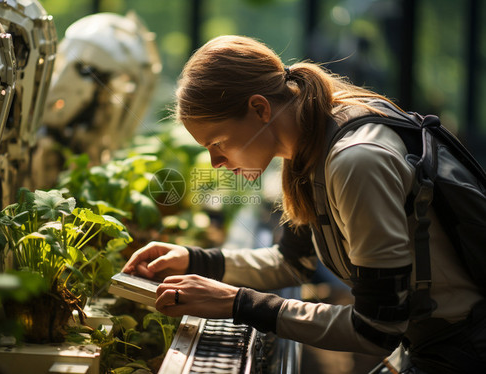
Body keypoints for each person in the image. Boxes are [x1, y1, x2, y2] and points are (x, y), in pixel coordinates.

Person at [122, 35, 486, 373]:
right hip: (434, 345)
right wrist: (194, 259)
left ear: (260, 109)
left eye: (217, 142)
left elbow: (376, 328)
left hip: (464, 350)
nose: (216, 162)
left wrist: (236, 302)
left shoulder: (355, 161)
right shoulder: (314, 140)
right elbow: (293, 263)